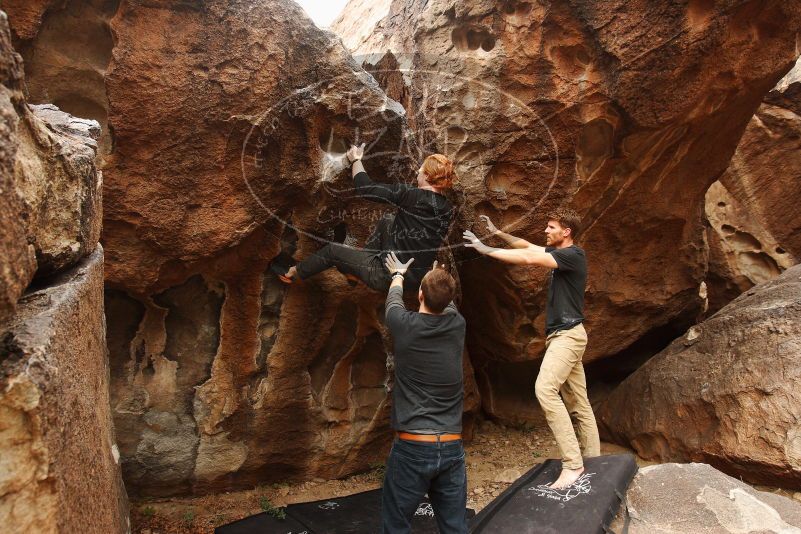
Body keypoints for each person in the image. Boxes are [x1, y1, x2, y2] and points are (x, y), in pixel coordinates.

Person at [462, 209, 600, 490]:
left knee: (545, 389)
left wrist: (484, 248)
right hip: (566, 335)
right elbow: (526, 246)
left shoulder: (573, 255)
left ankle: (574, 464)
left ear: (566, 232)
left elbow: (527, 258)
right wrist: (498, 233)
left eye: (551, 227)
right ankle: (596, 463)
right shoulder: (560, 253)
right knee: (579, 403)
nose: (546, 231)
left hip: (568, 336)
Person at [271, 143, 457, 293]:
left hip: (389, 276)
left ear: (428, 175)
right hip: (417, 278)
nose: (417, 172)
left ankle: (292, 273)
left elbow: (365, 188)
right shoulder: (447, 208)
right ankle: (356, 271)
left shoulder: (411, 195)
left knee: (332, 251)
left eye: (421, 169)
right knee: (387, 221)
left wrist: (356, 160)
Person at [380, 251, 468, 534]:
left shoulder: (404, 325)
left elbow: (393, 300)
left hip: (413, 447)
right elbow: (447, 301)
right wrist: (440, 278)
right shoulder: (457, 325)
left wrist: (397, 274)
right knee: (454, 527)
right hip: (452, 446)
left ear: (419, 295)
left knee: (396, 526)